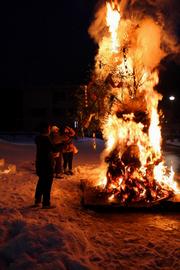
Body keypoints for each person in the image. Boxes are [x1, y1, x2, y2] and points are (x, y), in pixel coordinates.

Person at [34, 122, 56, 209]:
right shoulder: (46, 139)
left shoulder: (38, 138)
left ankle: (37, 200)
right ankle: (46, 203)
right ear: (46, 129)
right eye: (49, 128)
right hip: (47, 164)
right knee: (47, 184)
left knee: (41, 182)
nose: (50, 130)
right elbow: (54, 148)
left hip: (40, 163)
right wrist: (64, 144)